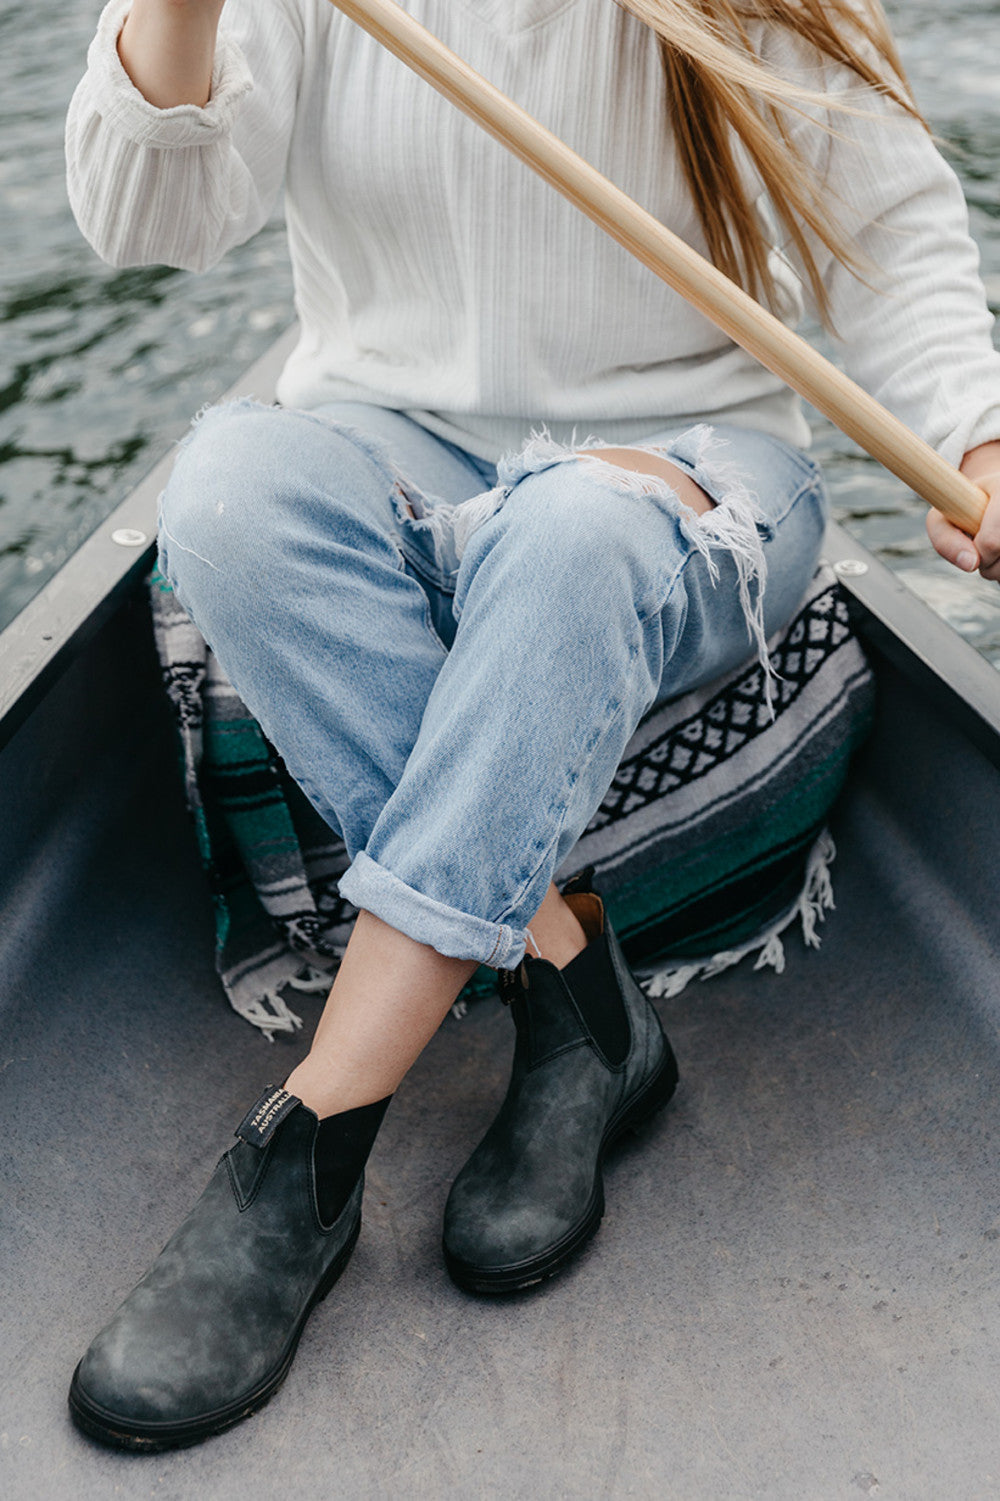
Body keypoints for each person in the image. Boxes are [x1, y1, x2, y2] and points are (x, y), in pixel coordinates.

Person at [64, 0, 1000, 1451]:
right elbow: (151, 222)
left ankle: (316, 1134)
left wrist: (980, 431)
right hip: (394, 440)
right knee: (227, 496)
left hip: (687, 461)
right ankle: (578, 992)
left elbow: (889, 233)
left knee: (569, 536)